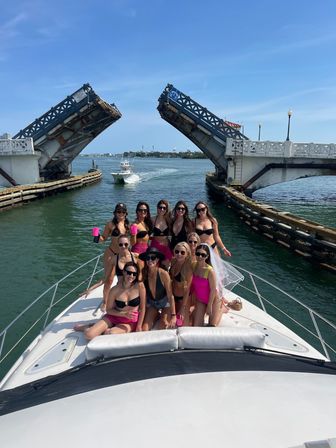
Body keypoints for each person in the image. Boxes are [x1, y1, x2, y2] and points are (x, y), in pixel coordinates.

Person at [74, 262, 146, 339]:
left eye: (134, 274)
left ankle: (98, 327)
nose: (131, 276)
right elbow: (109, 310)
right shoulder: (114, 290)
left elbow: (142, 308)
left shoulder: (139, 286)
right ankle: (88, 326)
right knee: (88, 335)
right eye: (129, 273)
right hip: (114, 316)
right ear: (124, 272)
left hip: (130, 321)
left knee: (110, 334)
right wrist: (124, 314)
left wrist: (139, 326)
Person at [140, 247, 176, 330]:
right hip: (152, 303)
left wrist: (174, 316)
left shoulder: (163, 274)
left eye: (153, 258)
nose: (150, 260)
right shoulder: (143, 273)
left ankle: (161, 315)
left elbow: (170, 296)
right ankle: (156, 315)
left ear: (157, 260)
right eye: (147, 258)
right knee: (145, 328)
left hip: (165, 303)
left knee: (163, 325)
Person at [102, 234, 140, 310]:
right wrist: (91, 289)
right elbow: (106, 278)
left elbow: (142, 272)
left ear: (129, 244)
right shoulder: (113, 259)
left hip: (133, 290)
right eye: (121, 244)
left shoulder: (135, 256)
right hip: (120, 291)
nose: (123, 246)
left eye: (126, 244)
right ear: (118, 245)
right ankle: (104, 302)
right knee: (113, 312)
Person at [190, 243, 219, 327]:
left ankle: (221, 309)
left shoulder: (210, 271)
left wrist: (209, 306)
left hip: (213, 300)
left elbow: (213, 289)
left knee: (212, 325)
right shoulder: (193, 265)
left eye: (203, 255)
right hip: (200, 300)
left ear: (207, 256)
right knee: (197, 326)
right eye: (198, 253)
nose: (200, 256)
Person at [99, 203, 129, 275]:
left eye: (123, 211)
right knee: (108, 279)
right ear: (115, 213)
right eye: (119, 211)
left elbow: (132, 242)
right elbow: (103, 238)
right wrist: (97, 236)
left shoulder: (129, 225)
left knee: (124, 277)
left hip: (123, 255)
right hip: (111, 253)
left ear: (126, 213)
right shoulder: (110, 224)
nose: (121, 213)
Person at [170, 242, 193, 325]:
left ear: (187, 254)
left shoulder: (188, 268)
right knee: (170, 322)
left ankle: (193, 308)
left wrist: (183, 308)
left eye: (182, 252)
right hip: (173, 298)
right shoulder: (173, 261)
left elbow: (187, 290)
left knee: (182, 324)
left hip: (183, 298)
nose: (179, 254)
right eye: (177, 251)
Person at [150, 199, 172, 268]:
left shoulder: (169, 220)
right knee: (154, 266)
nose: (162, 209)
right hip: (155, 246)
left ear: (166, 209)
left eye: (164, 208)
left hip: (166, 247)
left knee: (167, 266)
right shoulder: (153, 219)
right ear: (157, 208)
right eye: (160, 207)